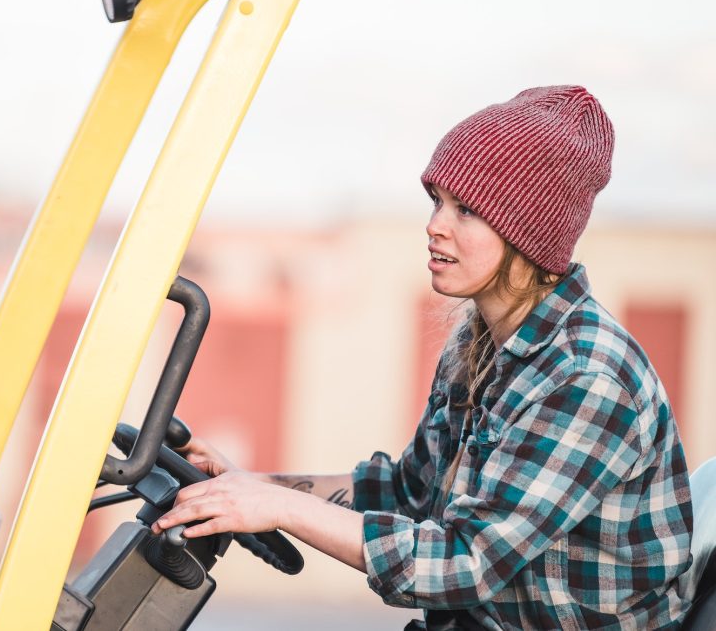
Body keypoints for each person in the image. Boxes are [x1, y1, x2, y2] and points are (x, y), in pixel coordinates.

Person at [153, 86, 694, 629]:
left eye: (466, 210)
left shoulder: (585, 376)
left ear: (528, 233)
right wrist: (252, 485)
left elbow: (465, 563)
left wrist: (282, 509)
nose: (435, 224)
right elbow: (408, 491)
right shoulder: (479, 345)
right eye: (436, 200)